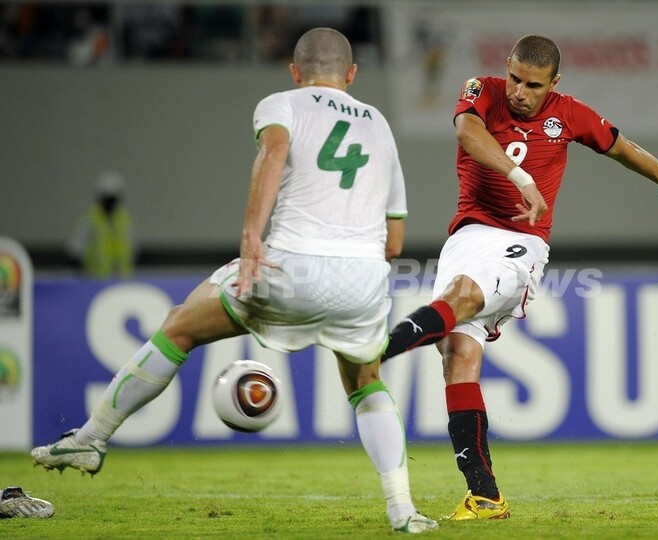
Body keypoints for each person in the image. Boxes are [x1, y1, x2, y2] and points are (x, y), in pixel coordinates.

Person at [32, 27, 437, 534]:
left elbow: (273, 151)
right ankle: (403, 510)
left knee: (180, 326)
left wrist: (251, 235)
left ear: (295, 71)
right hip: (363, 279)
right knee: (366, 381)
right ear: (351, 74)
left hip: (288, 266)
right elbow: (394, 242)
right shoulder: (379, 124)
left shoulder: (282, 103)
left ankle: (91, 439)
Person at [382, 34, 658, 520]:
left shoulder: (570, 114)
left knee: (464, 295)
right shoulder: (482, 90)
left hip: (521, 243)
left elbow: (621, 148)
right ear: (507, 66)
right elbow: (467, 132)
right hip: (467, 237)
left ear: (554, 82)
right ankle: (485, 496)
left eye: (534, 85)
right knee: (456, 353)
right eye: (516, 79)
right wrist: (521, 178)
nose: (520, 92)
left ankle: (380, 348)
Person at [66, 170, 135, 278]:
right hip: (94, 278)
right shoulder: (91, 218)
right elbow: (76, 247)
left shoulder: (123, 218)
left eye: (113, 200)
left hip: (121, 277)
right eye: (107, 200)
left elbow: (131, 246)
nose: (110, 204)